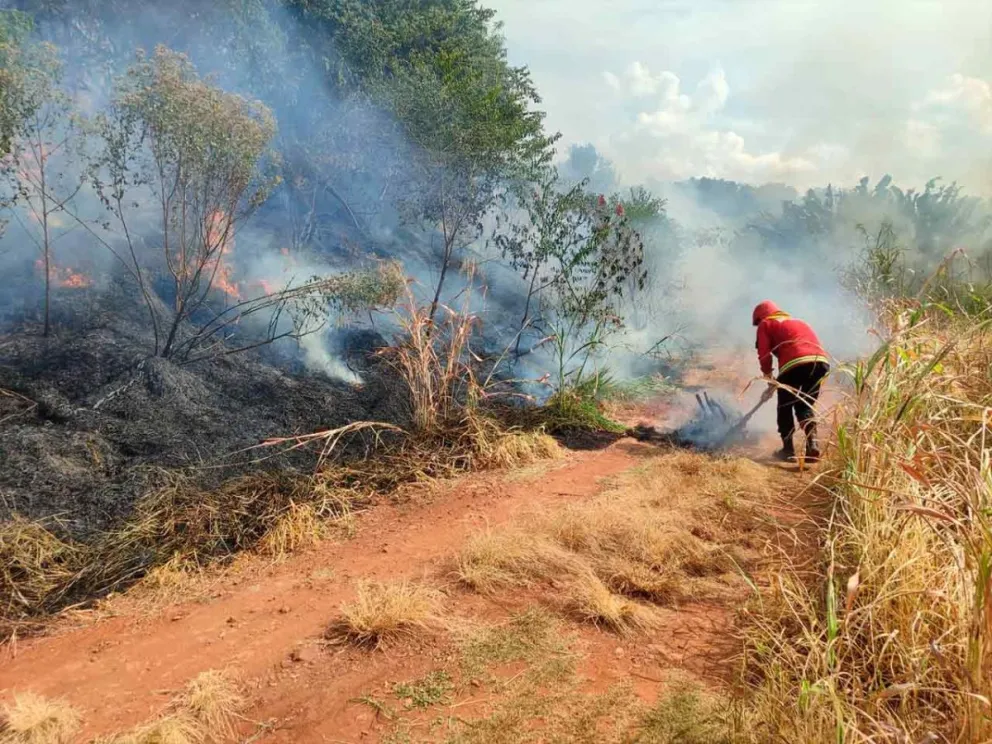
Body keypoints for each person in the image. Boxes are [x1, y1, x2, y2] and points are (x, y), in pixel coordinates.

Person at [752, 300, 830, 462]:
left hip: (794, 364)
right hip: (821, 363)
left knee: (785, 407)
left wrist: (769, 378)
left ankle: (788, 450)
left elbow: (764, 354)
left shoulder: (766, 323)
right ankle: (812, 445)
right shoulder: (799, 321)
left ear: (761, 317)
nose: (758, 325)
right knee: (804, 405)